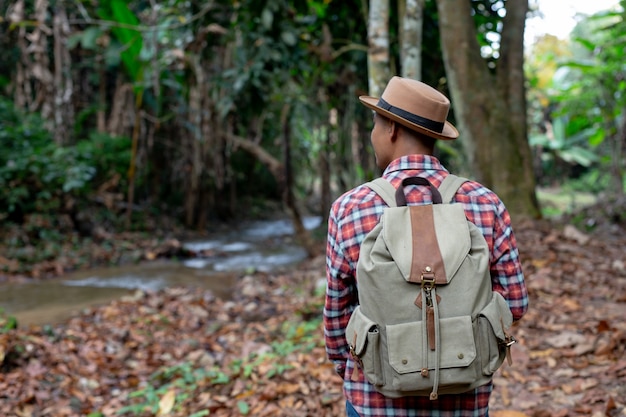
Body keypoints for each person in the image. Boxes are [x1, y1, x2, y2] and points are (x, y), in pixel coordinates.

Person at [323, 76, 529, 417]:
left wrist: (353, 370)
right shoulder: (484, 202)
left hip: (374, 401)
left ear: (390, 128)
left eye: (375, 124)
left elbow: (336, 316)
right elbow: (516, 303)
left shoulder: (350, 207)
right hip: (465, 401)